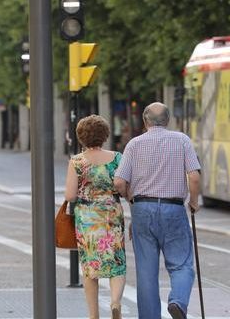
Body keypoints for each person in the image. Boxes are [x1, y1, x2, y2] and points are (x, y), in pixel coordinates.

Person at [113, 102, 201, 319]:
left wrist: (132, 202)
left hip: (143, 209)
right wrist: (194, 202)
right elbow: (195, 176)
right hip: (173, 208)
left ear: (145, 122)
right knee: (181, 264)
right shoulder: (182, 140)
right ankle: (178, 301)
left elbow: (118, 182)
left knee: (146, 273)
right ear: (168, 120)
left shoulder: (134, 144)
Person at [64, 115, 127, 319]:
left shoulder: (77, 161)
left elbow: (70, 195)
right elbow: (122, 186)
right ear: (105, 135)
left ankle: (93, 315)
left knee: (90, 267)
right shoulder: (117, 157)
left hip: (87, 219)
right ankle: (115, 302)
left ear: (81, 137)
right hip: (111, 215)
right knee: (116, 261)